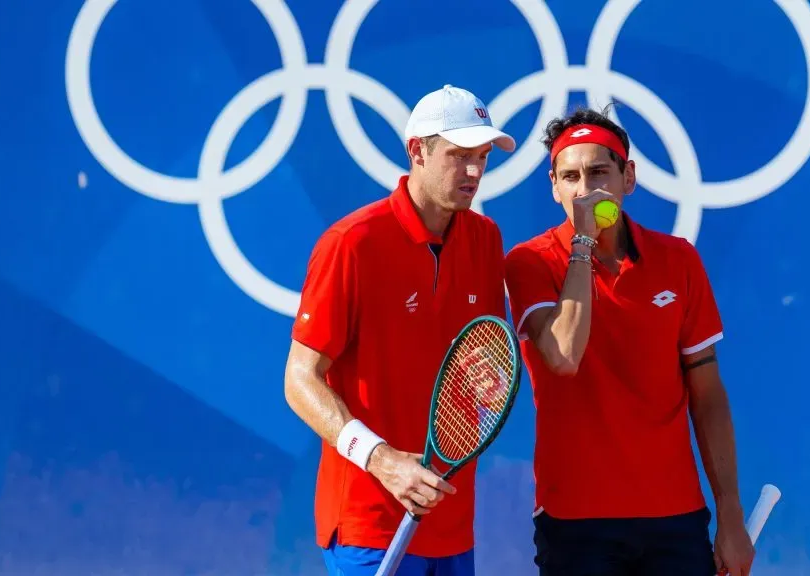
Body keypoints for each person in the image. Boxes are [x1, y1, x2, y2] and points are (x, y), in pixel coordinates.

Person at [503, 106, 756, 576]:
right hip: (576, 522)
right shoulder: (529, 263)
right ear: (554, 187)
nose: (585, 190)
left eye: (599, 172)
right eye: (571, 176)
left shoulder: (678, 260)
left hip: (675, 517)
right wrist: (583, 244)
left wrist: (731, 517)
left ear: (629, 178)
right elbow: (562, 356)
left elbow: (708, 396)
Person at [283, 84, 515, 576]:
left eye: (482, 156)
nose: (475, 172)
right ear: (418, 151)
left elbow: (486, 358)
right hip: (369, 525)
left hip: (451, 522)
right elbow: (299, 380)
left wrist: (488, 381)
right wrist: (382, 459)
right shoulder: (352, 243)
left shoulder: (486, 238)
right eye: (459, 156)